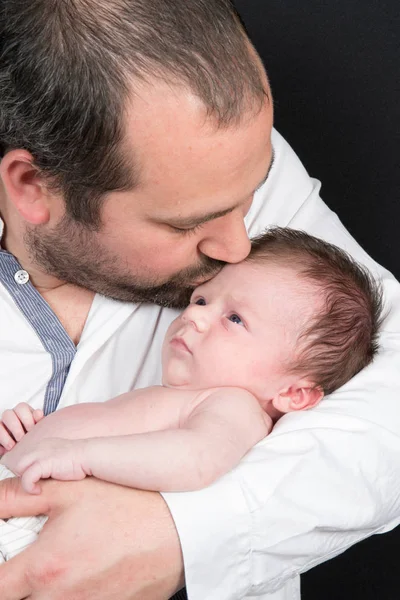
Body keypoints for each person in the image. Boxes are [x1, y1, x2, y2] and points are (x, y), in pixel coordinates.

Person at [0, 1, 399, 599]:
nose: (240, 246)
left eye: (251, 196)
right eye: (188, 225)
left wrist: (181, 535)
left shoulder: (209, 158)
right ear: (32, 187)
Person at [0, 227, 384, 562]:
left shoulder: (234, 406)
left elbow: (197, 459)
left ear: (294, 393)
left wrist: (79, 456)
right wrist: (32, 435)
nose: (194, 316)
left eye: (235, 319)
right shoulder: (178, 398)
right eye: (201, 299)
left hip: (42, 535)